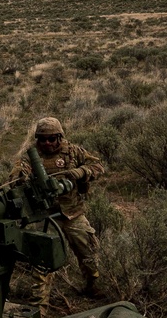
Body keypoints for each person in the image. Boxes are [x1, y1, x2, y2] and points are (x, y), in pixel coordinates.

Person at [10, 116, 105, 307]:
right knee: (43, 262)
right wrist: (22, 177)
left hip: (72, 213)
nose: (47, 143)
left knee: (89, 252)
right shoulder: (31, 156)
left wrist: (81, 172)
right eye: (42, 139)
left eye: (52, 138)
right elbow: (16, 175)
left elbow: (98, 166)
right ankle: (39, 306)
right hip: (45, 217)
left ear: (59, 137)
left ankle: (92, 286)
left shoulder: (72, 152)